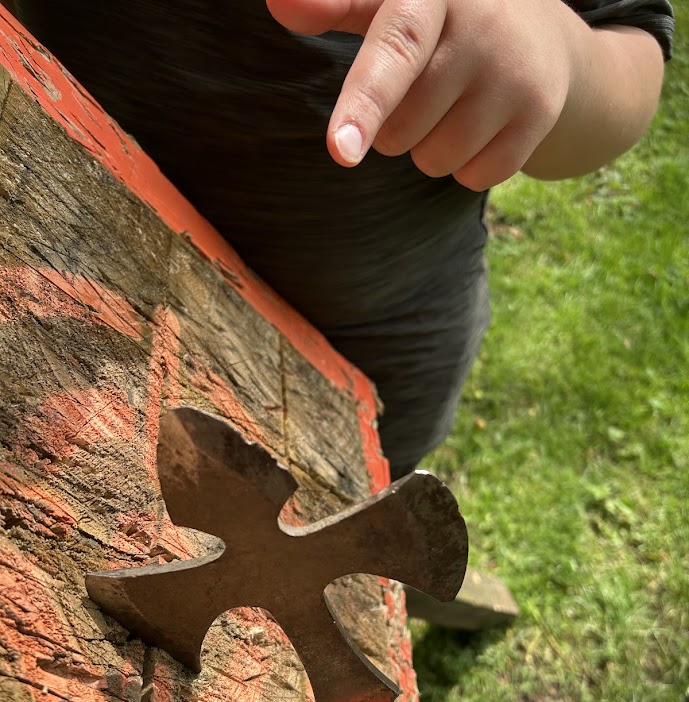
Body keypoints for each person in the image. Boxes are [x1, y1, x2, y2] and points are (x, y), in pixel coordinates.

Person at [16, 0, 674, 480]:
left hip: (370, 342)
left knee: (341, 534)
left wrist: (564, 57)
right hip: (61, 246)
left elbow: (631, 41)